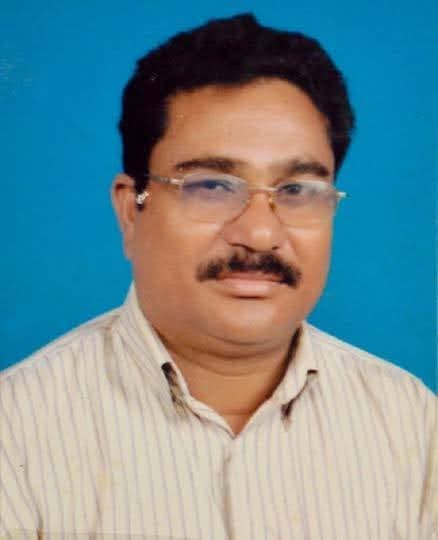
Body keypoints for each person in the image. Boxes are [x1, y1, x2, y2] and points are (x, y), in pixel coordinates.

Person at [1, 13, 436, 540]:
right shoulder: (15, 432)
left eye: (297, 191)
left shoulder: (411, 423)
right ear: (131, 211)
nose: (260, 233)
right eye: (210, 186)